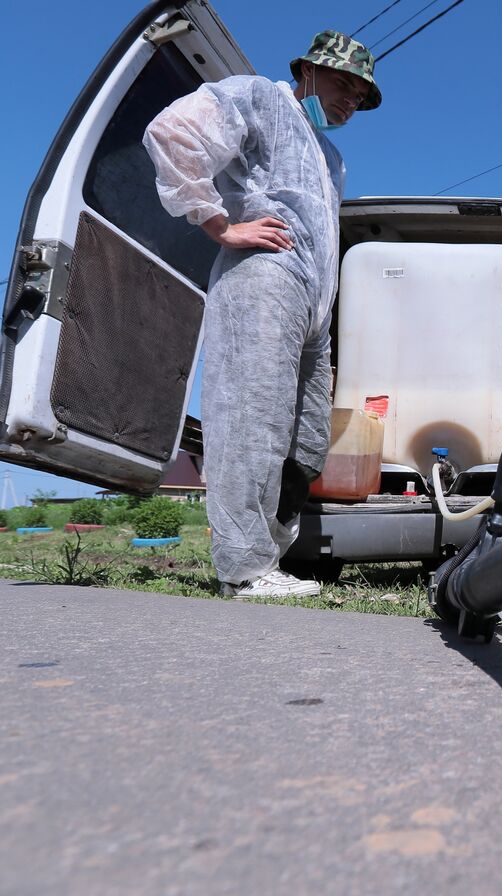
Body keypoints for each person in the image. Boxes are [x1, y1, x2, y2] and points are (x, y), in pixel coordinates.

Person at [143, 31, 382, 599]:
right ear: (308, 72)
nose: (350, 101)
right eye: (343, 84)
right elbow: (173, 133)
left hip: (312, 305)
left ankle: (267, 558)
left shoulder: (329, 156)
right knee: (252, 424)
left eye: (360, 96)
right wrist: (222, 225)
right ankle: (242, 568)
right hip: (264, 282)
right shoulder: (261, 97)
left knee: (305, 439)